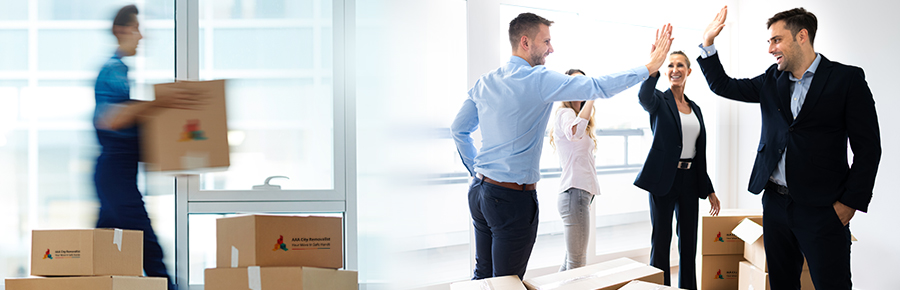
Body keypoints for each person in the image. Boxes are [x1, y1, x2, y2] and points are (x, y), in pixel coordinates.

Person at [451, 12, 674, 280]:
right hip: (510, 199)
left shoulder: (486, 81)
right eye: (546, 41)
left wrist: (478, 172)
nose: (551, 48)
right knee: (506, 283)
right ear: (525, 42)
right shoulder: (538, 79)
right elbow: (595, 86)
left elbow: (459, 129)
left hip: (480, 193)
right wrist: (648, 68)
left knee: (484, 277)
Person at [698, 6, 881, 289]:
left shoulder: (847, 80)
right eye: (769, 41)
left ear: (802, 36)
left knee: (832, 284)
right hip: (775, 203)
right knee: (782, 283)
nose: (770, 48)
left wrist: (849, 204)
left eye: (776, 40)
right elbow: (724, 86)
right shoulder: (773, 79)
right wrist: (708, 44)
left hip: (823, 208)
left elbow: (869, 149)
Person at [93, 5, 202, 290]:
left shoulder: (120, 71)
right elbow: (112, 119)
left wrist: (179, 158)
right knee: (150, 251)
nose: (141, 37)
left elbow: (131, 126)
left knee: (102, 254)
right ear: (121, 31)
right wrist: (163, 101)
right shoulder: (113, 69)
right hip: (116, 176)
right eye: (137, 29)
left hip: (118, 176)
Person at [634, 50, 720, 289]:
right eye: (670, 65)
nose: (675, 69)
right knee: (661, 241)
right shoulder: (659, 101)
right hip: (664, 180)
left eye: (680, 65)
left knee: (689, 243)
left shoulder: (696, 109)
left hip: (690, 180)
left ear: (688, 71)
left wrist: (709, 189)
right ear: (666, 71)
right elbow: (643, 97)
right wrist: (653, 67)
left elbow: (697, 152)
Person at [549, 69, 598, 272]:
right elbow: (575, 133)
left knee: (571, 261)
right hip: (574, 194)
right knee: (577, 265)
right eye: (574, 82)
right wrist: (593, 97)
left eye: (584, 82)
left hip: (579, 194)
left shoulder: (577, 117)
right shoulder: (565, 113)